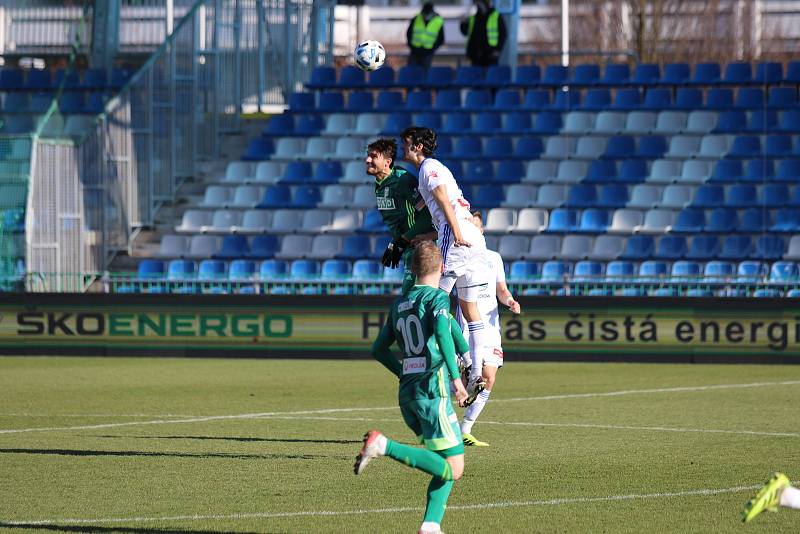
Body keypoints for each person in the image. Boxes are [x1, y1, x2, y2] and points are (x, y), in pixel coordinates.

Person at [354, 241, 468, 534]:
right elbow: (443, 332)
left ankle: (430, 525)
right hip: (433, 392)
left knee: (442, 462)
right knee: (454, 469)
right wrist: (456, 378)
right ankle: (383, 446)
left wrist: (403, 372)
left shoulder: (399, 304)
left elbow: (378, 349)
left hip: (408, 396)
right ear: (441, 269)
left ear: (413, 269)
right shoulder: (436, 299)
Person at [400, 125, 492, 405]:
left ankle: (455, 365)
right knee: (469, 309)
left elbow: (442, 196)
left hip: (459, 235)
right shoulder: (429, 170)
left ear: (417, 146)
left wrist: (456, 232)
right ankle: (475, 371)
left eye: (406, 143)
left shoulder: (429, 166)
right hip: (472, 239)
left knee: (433, 301)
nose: (403, 147)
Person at [456, 211, 520, 447]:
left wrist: (511, 301)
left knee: (489, 378)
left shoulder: (494, 258)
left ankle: (465, 429)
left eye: (475, 226)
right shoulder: (459, 256)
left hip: (490, 327)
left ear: (481, 231)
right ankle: (442, 424)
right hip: (466, 326)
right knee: (464, 378)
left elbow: (501, 290)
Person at [365, 138, 436, 295]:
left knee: (414, 299)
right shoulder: (379, 184)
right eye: (368, 155)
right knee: (412, 300)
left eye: (373, 156)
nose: (367, 160)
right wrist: (394, 244)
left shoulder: (402, 180)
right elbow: (400, 220)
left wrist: (403, 241)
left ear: (387, 162)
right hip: (408, 247)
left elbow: (426, 217)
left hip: (422, 247)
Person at [459, 0, 507, 67]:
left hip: (490, 54)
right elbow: (466, 32)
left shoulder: (495, 16)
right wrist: (463, 23)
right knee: (476, 75)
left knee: (490, 75)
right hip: (476, 55)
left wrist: (497, 50)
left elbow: (503, 34)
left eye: (480, 3)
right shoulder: (474, 18)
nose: (479, 6)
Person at [406, 2, 445, 70]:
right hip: (414, 51)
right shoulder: (416, 18)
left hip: (428, 52)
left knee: (424, 74)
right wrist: (411, 46)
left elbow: (441, 39)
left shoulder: (438, 21)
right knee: (411, 72)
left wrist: (432, 49)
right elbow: (409, 33)